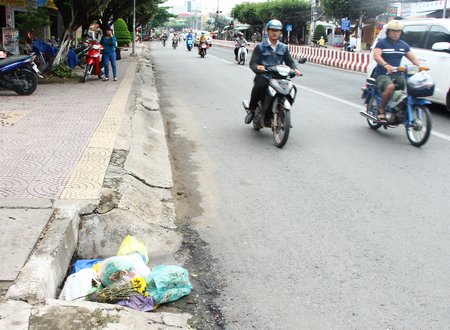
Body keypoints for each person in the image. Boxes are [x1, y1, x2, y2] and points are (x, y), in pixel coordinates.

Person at [244, 19, 302, 124]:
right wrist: (258, 68)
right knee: (259, 85)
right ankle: (252, 111)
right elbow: (253, 63)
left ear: (280, 32)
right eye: (272, 30)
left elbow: (290, 62)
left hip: (279, 77)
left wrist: (295, 69)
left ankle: (283, 112)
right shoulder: (260, 47)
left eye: (277, 30)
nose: (275, 33)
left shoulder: (283, 47)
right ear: (268, 31)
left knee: (292, 89)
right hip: (264, 75)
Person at [372, 20, 422, 123]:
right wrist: (385, 65)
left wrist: (420, 67)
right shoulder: (382, 43)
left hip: (397, 74)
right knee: (390, 87)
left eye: (398, 31)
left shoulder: (403, 45)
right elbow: (376, 56)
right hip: (382, 74)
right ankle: (381, 111)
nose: (396, 33)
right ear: (388, 32)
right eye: (393, 31)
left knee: (409, 86)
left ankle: (399, 108)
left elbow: (413, 58)